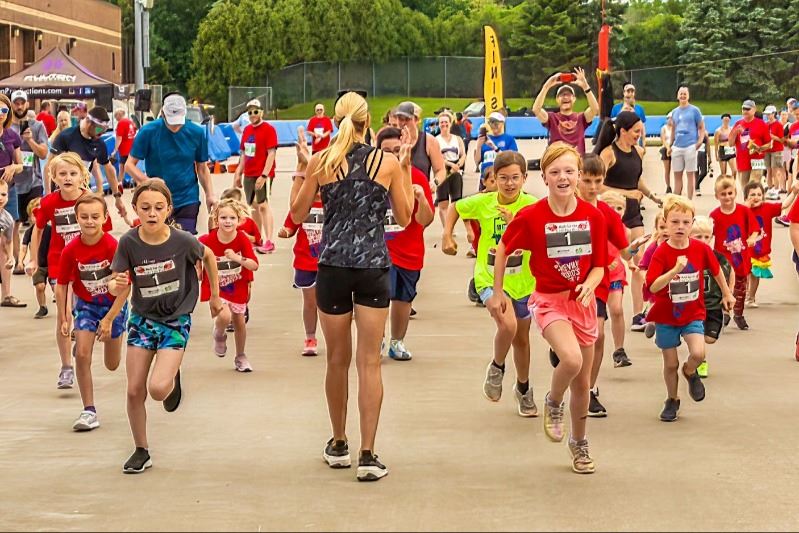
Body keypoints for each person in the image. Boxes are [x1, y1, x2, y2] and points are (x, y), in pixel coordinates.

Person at [290, 92, 413, 482]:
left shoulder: (322, 161)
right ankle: (368, 453)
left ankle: (339, 442)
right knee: (370, 362)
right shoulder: (388, 162)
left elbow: (296, 213)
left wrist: (303, 170)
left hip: (332, 267)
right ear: (367, 122)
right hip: (373, 265)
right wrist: (404, 171)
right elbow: (406, 216)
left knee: (336, 360)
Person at [494, 142, 607, 474]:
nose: (563, 177)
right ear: (543, 177)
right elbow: (503, 248)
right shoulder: (531, 216)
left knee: (583, 383)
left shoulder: (592, 216)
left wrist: (591, 283)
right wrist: (498, 290)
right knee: (570, 359)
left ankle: (579, 443)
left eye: (570, 171)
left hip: (582, 303)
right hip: (549, 301)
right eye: (555, 172)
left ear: (578, 175)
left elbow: (600, 264)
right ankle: (553, 401)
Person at [109, 178, 222, 474]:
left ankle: (171, 377)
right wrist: (114, 284)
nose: (152, 213)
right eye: (145, 208)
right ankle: (141, 450)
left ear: (168, 210)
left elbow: (208, 255)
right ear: (135, 210)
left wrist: (214, 298)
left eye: (158, 208)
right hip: (142, 320)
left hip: (175, 320)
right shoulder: (129, 243)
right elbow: (116, 282)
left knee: (157, 389)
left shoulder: (182, 241)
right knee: (134, 391)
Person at [442, 151, 538, 417]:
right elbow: (455, 207)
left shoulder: (532, 206)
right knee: (508, 324)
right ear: (493, 179)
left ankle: (523, 388)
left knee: (521, 339)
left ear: (525, 178)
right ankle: (497, 367)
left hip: (524, 282)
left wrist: (515, 226)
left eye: (515, 178)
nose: (509, 184)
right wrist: (448, 235)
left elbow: (540, 240)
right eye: (503, 178)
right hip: (489, 277)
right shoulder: (484, 203)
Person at [645, 196, 734, 422]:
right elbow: (653, 286)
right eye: (675, 222)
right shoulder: (661, 253)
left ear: (692, 223)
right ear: (665, 222)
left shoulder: (700, 249)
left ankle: (690, 371)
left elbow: (716, 270)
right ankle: (672, 399)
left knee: (698, 353)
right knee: (670, 363)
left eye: (686, 222)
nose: (680, 227)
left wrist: (726, 293)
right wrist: (674, 270)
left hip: (693, 312)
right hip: (666, 315)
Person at [27, 153, 112, 387]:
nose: (67, 178)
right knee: (63, 314)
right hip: (59, 263)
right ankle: (66, 366)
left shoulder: (90, 201)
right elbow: (38, 230)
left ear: (82, 176)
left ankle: (81, 333)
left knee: (80, 309)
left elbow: (106, 232)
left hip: (88, 264)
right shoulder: (49, 202)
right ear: (53, 177)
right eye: (62, 174)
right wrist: (34, 260)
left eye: (73, 173)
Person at [55, 193, 129, 431]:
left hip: (113, 305)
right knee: (83, 355)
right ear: (76, 219)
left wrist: (109, 320)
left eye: (95, 217)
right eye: (84, 217)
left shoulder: (112, 246)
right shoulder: (71, 250)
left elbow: (125, 287)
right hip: (86, 305)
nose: (89, 221)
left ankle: (104, 336)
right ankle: (89, 411)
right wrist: (64, 317)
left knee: (112, 364)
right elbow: (62, 284)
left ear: (105, 218)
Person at [594, 112, 660, 333]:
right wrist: (627, 193)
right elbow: (597, 186)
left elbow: (637, 177)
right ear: (622, 131)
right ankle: (600, 304)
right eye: (636, 132)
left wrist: (651, 196)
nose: (639, 136)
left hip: (632, 212)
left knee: (639, 263)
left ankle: (638, 315)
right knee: (611, 259)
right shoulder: (608, 154)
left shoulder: (639, 151)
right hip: (610, 211)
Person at [376, 127, 434, 361]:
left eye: (397, 150)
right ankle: (375, 340)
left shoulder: (417, 176)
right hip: (379, 251)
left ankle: (396, 342)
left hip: (409, 251)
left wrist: (420, 197)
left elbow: (425, 220)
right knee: (377, 300)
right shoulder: (372, 177)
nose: (392, 155)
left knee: (403, 299)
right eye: (386, 151)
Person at [124, 93, 217, 235]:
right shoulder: (148, 131)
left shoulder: (196, 132)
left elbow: (202, 168)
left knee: (184, 240)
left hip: (187, 197)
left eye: (178, 122)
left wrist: (210, 194)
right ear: (162, 113)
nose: (175, 126)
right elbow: (129, 165)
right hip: (158, 199)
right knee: (161, 241)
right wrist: (147, 181)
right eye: (171, 121)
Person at [199, 198, 259, 372]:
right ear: (216, 220)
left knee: (239, 321)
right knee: (225, 316)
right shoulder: (208, 239)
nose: (227, 221)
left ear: (239, 220)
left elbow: (254, 265)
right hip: (217, 288)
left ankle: (240, 356)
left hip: (237, 285)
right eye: (223, 217)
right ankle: (219, 334)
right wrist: (196, 266)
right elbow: (194, 252)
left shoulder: (241, 239)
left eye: (232, 218)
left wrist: (236, 258)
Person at [278, 138, 321, 356]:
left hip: (330, 260)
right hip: (306, 259)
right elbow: (291, 220)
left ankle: (335, 338)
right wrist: (286, 231)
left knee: (332, 305)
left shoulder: (335, 203)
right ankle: (310, 337)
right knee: (310, 301)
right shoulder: (305, 203)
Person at [49, 106, 126, 219]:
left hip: (82, 193)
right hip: (61, 193)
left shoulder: (99, 143)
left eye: (104, 131)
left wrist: (117, 197)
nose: (100, 134)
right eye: (99, 130)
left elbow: (108, 169)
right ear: (89, 123)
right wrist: (49, 195)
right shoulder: (66, 137)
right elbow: (49, 167)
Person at [709, 177, 760, 331]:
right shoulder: (715, 215)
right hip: (723, 260)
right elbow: (708, 234)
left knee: (740, 288)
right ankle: (724, 311)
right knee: (722, 287)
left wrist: (751, 238)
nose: (727, 197)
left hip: (740, 258)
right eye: (723, 194)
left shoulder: (744, 211)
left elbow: (755, 229)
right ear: (717, 196)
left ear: (735, 193)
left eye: (730, 193)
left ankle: (738, 314)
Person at [689, 216, 733, 378]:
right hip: (693, 305)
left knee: (710, 338)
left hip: (713, 304)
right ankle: (700, 361)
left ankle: (697, 354)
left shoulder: (718, 258)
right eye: (698, 236)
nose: (703, 240)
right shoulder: (686, 256)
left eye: (707, 237)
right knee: (697, 335)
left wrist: (728, 293)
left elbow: (730, 274)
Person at [9, 90, 48, 275]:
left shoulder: (37, 126)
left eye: (21, 103)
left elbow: (43, 153)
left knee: (37, 221)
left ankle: (36, 259)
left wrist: (30, 140)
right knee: (15, 224)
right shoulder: (7, 128)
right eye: (16, 103)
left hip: (34, 181)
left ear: (27, 104)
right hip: (14, 184)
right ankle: (18, 261)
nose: (19, 106)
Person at [233, 99, 277, 253]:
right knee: (253, 206)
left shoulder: (268, 129)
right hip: (249, 173)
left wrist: (264, 175)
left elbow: (271, 153)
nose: (253, 115)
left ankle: (269, 240)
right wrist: (238, 173)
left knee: (263, 204)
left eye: (255, 111)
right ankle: (258, 238)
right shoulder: (247, 131)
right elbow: (244, 153)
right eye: (250, 112)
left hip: (262, 172)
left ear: (261, 112)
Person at [743, 181, 798, 306]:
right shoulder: (743, 210)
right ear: (745, 198)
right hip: (744, 250)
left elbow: (784, 205)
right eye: (752, 195)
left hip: (759, 250)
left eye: (759, 194)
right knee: (745, 274)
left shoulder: (767, 208)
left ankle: (751, 297)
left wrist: (794, 193)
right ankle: (743, 294)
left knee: (755, 274)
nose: (756, 197)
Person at [532, 67, 599, 154]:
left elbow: (595, 109)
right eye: (562, 95)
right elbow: (536, 109)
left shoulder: (581, 118)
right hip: (557, 160)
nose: (565, 97)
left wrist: (586, 87)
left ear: (574, 99)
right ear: (557, 99)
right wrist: (546, 86)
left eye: (569, 95)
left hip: (576, 162)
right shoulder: (552, 118)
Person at [393, 101, 446, 188]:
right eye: (400, 119)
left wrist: (434, 183)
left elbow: (440, 170)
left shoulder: (429, 141)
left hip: (420, 194)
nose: (403, 123)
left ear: (417, 120)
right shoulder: (392, 139)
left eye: (407, 119)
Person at [668, 86, 705, 198]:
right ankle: (677, 198)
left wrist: (699, 141)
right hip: (677, 146)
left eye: (685, 94)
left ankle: (689, 200)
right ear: (677, 96)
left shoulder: (694, 110)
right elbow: (673, 129)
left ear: (688, 96)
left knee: (690, 175)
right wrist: (670, 145)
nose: (683, 96)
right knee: (677, 175)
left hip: (690, 145)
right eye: (681, 94)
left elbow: (701, 127)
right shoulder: (674, 112)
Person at [728, 99, 770, 190]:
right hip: (742, 161)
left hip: (757, 160)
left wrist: (759, 148)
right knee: (745, 189)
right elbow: (730, 143)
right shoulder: (738, 124)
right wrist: (735, 132)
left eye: (748, 109)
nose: (745, 111)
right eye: (744, 109)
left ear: (754, 110)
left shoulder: (761, 124)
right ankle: (747, 204)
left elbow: (769, 144)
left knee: (753, 187)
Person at [434, 111, 466, 227]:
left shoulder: (457, 139)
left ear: (450, 123)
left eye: (446, 122)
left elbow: (463, 154)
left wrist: (458, 164)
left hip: (456, 170)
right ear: (439, 124)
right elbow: (436, 156)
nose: (444, 124)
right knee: (443, 202)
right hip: (442, 170)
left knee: (456, 202)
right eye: (441, 122)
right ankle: (446, 228)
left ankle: (451, 225)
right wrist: (450, 165)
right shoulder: (436, 140)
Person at [19, 197, 49, 317]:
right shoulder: (29, 231)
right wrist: (20, 261)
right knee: (40, 286)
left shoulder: (51, 229)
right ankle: (42, 306)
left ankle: (62, 304)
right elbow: (24, 247)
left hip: (52, 262)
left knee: (56, 287)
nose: (37, 217)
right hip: (38, 264)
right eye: (34, 214)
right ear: (30, 217)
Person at [474, 112, 518, 184]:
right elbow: (477, 161)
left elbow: (512, 159)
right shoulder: (485, 139)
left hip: (501, 177)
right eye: (490, 123)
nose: (493, 125)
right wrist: (478, 146)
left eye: (496, 123)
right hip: (486, 177)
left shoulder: (509, 139)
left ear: (502, 123)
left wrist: (495, 148)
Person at [0, 180, 23, 307]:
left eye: (3, 195)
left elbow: (8, 241)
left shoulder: (7, 218)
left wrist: (10, 258)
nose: (0, 198)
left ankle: (6, 295)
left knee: (2, 248)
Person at [764, 105, 786, 199]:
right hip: (767, 149)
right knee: (768, 170)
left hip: (777, 150)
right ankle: (770, 188)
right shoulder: (766, 124)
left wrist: (773, 137)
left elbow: (782, 140)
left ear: (774, 114)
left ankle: (776, 189)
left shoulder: (778, 125)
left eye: (769, 114)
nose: (768, 116)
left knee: (774, 170)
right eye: (767, 114)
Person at [111, 109, 137, 187]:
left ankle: (120, 183)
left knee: (122, 166)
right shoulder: (130, 122)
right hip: (131, 148)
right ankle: (133, 183)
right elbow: (134, 133)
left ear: (119, 115)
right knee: (130, 166)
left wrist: (115, 150)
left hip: (124, 149)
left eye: (116, 117)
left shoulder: (121, 123)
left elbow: (119, 138)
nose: (116, 119)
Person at [714, 114, 737, 178]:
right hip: (722, 150)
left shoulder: (732, 129)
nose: (726, 121)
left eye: (727, 120)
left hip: (730, 150)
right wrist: (716, 155)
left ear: (729, 120)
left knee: (734, 170)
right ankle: (724, 185)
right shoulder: (718, 131)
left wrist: (736, 149)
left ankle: (733, 183)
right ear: (722, 120)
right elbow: (716, 144)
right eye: (725, 120)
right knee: (723, 173)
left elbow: (735, 140)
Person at [660, 112, 673, 193]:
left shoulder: (676, 128)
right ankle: (668, 186)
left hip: (674, 148)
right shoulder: (664, 128)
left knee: (677, 169)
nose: (670, 120)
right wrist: (668, 148)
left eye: (671, 118)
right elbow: (663, 140)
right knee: (667, 169)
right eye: (669, 118)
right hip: (666, 148)